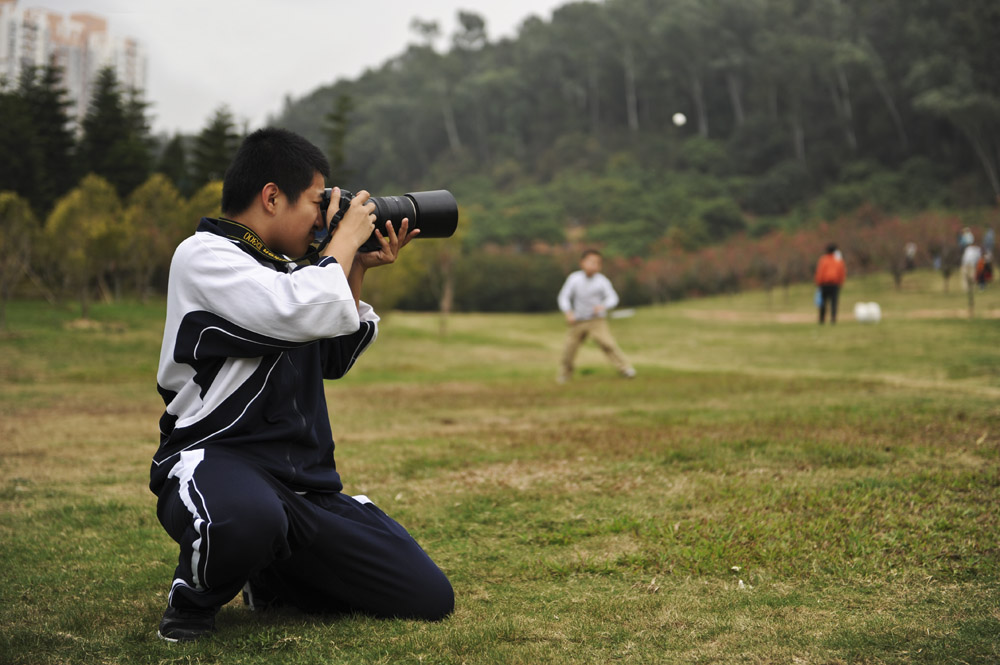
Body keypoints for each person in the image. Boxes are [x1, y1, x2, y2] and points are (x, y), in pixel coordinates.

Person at [151, 128, 453, 642]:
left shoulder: (295, 270)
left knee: (426, 596)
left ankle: (269, 576)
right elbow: (293, 307)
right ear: (271, 197)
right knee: (247, 516)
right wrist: (341, 243)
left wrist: (353, 264)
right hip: (219, 462)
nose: (322, 217)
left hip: (303, 487)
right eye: (317, 202)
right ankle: (191, 606)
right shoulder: (205, 256)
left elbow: (331, 353)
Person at [557, 249, 636, 383]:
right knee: (569, 349)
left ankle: (625, 369)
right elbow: (564, 297)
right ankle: (565, 374)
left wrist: (603, 306)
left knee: (608, 344)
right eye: (591, 262)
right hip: (578, 320)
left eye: (598, 263)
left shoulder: (601, 281)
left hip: (596, 320)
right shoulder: (574, 279)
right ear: (582, 263)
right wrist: (568, 312)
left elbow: (613, 298)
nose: (594, 265)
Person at [814, 243, 846, 324]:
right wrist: (841, 282)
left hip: (824, 284)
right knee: (834, 302)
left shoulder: (823, 260)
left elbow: (820, 272)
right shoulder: (838, 260)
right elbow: (841, 272)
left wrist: (818, 282)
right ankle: (833, 318)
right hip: (835, 284)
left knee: (823, 303)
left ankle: (822, 319)